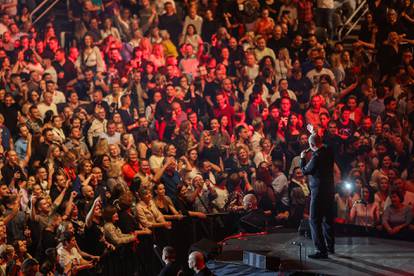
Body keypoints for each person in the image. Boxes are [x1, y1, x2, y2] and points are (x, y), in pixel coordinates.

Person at [300, 132, 335, 259]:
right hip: (330, 191)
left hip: (318, 193)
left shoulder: (316, 156)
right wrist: (313, 134)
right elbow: (321, 143)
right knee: (328, 220)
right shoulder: (329, 151)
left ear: (311, 145)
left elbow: (305, 170)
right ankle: (330, 247)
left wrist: (303, 158)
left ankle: (321, 250)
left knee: (314, 220)